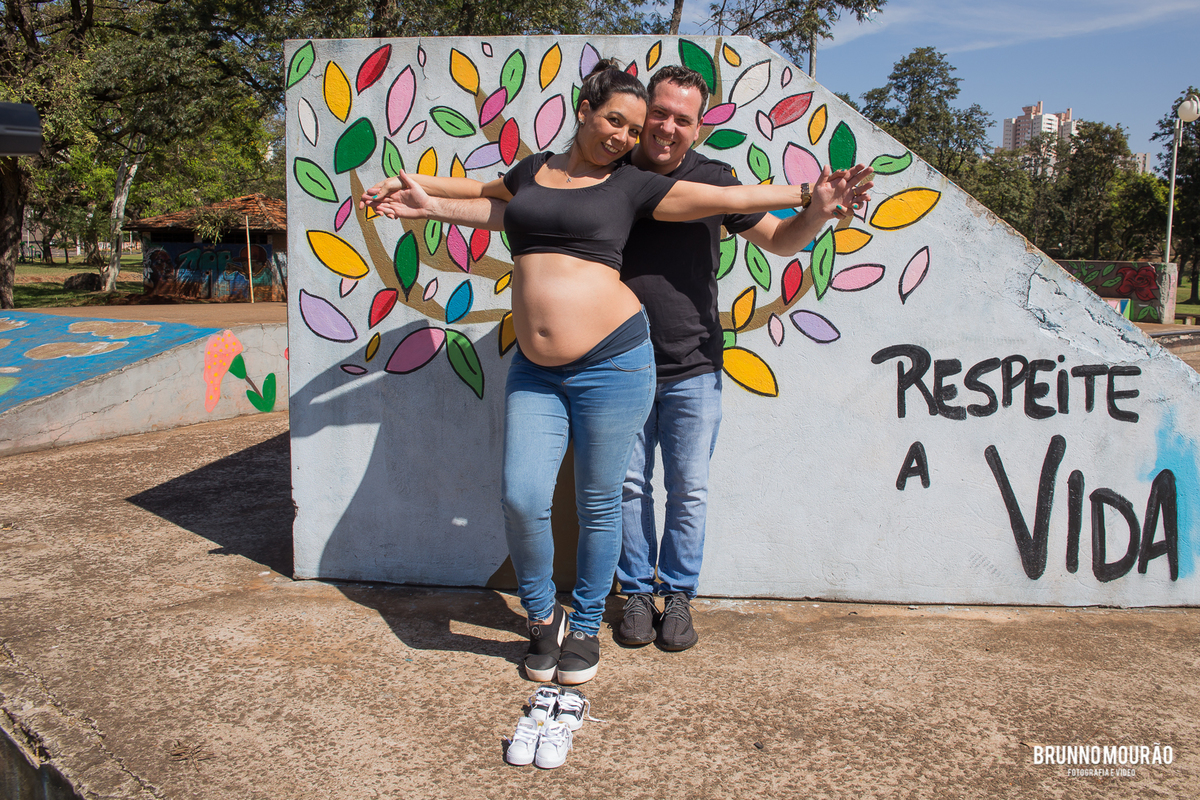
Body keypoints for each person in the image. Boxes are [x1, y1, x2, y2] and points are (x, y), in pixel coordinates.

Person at [362, 61, 869, 685]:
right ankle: (590, 607)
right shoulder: (588, 172)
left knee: (677, 490)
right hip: (556, 368)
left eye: (680, 119)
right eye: (646, 117)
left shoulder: (663, 181)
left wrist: (811, 199)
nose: (652, 130)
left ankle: (655, 602)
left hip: (667, 360)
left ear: (698, 126)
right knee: (560, 496)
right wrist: (425, 198)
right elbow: (503, 202)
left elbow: (752, 217)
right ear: (598, 112)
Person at [614, 66, 872, 651]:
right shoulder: (611, 174)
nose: (668, 127)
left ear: (699, 127)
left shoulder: (715, 180)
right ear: (644, 112)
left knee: (689, 490)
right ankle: (636, 593)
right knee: (627, 488)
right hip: (619, 363)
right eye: (660, 113)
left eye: (683, 119)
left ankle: (678, 594)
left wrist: (817, 210)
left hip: (694, 363)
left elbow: (781, 241)